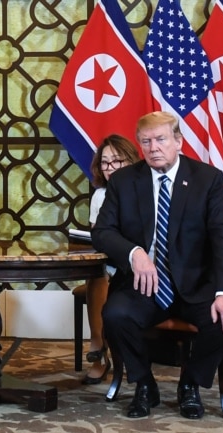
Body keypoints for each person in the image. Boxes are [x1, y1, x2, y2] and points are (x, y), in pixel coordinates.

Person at [91, 111, 223, 419]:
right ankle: (144, 383)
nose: (153, 148)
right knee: (115, 315)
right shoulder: (124, 180)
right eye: (145, 141)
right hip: (144, 284)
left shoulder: (206, 179)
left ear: (178, 141)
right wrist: (135, 253)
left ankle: (190, 384)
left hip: (196, 283)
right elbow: (103, 232)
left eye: (160, 139)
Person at [81, 134, 140, 385]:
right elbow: (99, 237)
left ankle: (102, 349)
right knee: (97, 274)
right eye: (105, 163)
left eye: (117, 161)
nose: (110, 168)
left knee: (102, 276)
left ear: (131, 161)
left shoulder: (145, 190)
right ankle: (99, 350)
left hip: (138, 262)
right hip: (110, 262)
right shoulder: (99, 196)